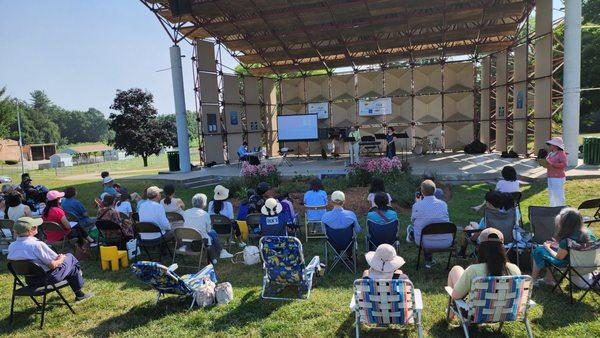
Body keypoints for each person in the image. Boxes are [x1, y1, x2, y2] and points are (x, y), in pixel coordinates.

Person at [7, 217, 94, 302]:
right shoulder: (37, 245)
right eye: (35, 226)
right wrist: (62, 258)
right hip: (47, 278)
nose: (37, 227)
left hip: (30, 280)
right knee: (70, 257)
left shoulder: (11, 246)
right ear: (30, 231)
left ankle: (80, 292)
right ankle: (79, 276)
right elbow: (53, 265)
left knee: (71, 268)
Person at [446, 228, 521, 301]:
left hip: (477, 313)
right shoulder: (515, 270)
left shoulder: (473, 270)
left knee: (456, 270)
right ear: (502, 248)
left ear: (481, 248)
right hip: (507, 313)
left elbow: (455, 296)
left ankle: (451, 313)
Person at [531, 208, 597, 286]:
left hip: (571, 267)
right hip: (589, 265)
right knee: (551, 249)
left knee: (539, 250)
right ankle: (548, 279)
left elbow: (558, 257)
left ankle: (533, 281)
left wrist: (547, 247)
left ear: (565, 224)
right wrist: (559, 245)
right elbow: (579, 246)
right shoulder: (589, 233)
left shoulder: (566, 241)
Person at [407, 180, 450, 268]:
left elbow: (413, 220)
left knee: (411, 227)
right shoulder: (443, 204)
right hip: (445, 240)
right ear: (435, 191)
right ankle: (429, 261)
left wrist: (417, 202)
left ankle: (411, 234)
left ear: (422, 192)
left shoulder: (417, 205)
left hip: (424, 241)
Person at [183, 193, 233, 264]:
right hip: (200, 242)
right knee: (211, 234)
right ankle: (219, 253)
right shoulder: (205, 214)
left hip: (186, 241)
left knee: (211, 233)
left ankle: (221, 252)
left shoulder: (185, 212)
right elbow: (208, 230)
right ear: (203, 203)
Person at [541, 137, 567, 207]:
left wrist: (552, 164)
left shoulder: (561, 153)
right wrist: (543, 163)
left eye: (551, 144)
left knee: (558, 194)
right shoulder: (551, 153)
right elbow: (548, 163)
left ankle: (561, 208)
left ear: (556, 145)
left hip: (558, 177)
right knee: (551, 194)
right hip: (550, 176)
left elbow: (564, 164)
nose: (549, 145)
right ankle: (552, 208)